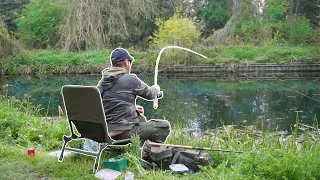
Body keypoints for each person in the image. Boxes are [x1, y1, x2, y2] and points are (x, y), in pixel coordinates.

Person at [97, 48, 171, 143]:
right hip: (122, 133)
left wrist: (132, 108)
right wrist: (156, 88)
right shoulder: (130, 79)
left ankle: (136, 148)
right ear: (127, 62)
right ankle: (151, 152)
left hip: (105, 132)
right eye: (130, 62)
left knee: (141, 118)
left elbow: (105, 104)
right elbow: (150, 94)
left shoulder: (102, 82)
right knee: (163, 126)